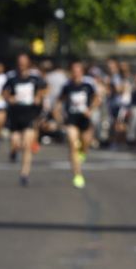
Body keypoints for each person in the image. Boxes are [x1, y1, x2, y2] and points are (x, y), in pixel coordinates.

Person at [5, 54, 46, 185]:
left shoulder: (35, 77)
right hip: (15, 114)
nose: (22, 64)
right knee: (16, 142)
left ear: (28, 63)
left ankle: (24, 174)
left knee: (27, 145)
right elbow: (5, 91)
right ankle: (13, 152)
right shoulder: (12, 77)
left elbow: (45, 88)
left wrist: (39, 97)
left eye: (24, 62)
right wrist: (9, 99)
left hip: (29, 113)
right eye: (20, 62)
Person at [58, 60, 98, 189]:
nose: (76, 73)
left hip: (85, 118)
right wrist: (58, 114)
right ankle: (78, 175)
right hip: (72, 118)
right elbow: (60, 100)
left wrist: (90, 109)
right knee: (73, 143)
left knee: (85, 144)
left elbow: (97, 98)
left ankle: (83, 152)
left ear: (82, 72)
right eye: (73, 71)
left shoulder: (88, 84)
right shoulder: (67, 85)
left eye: (78, 71)